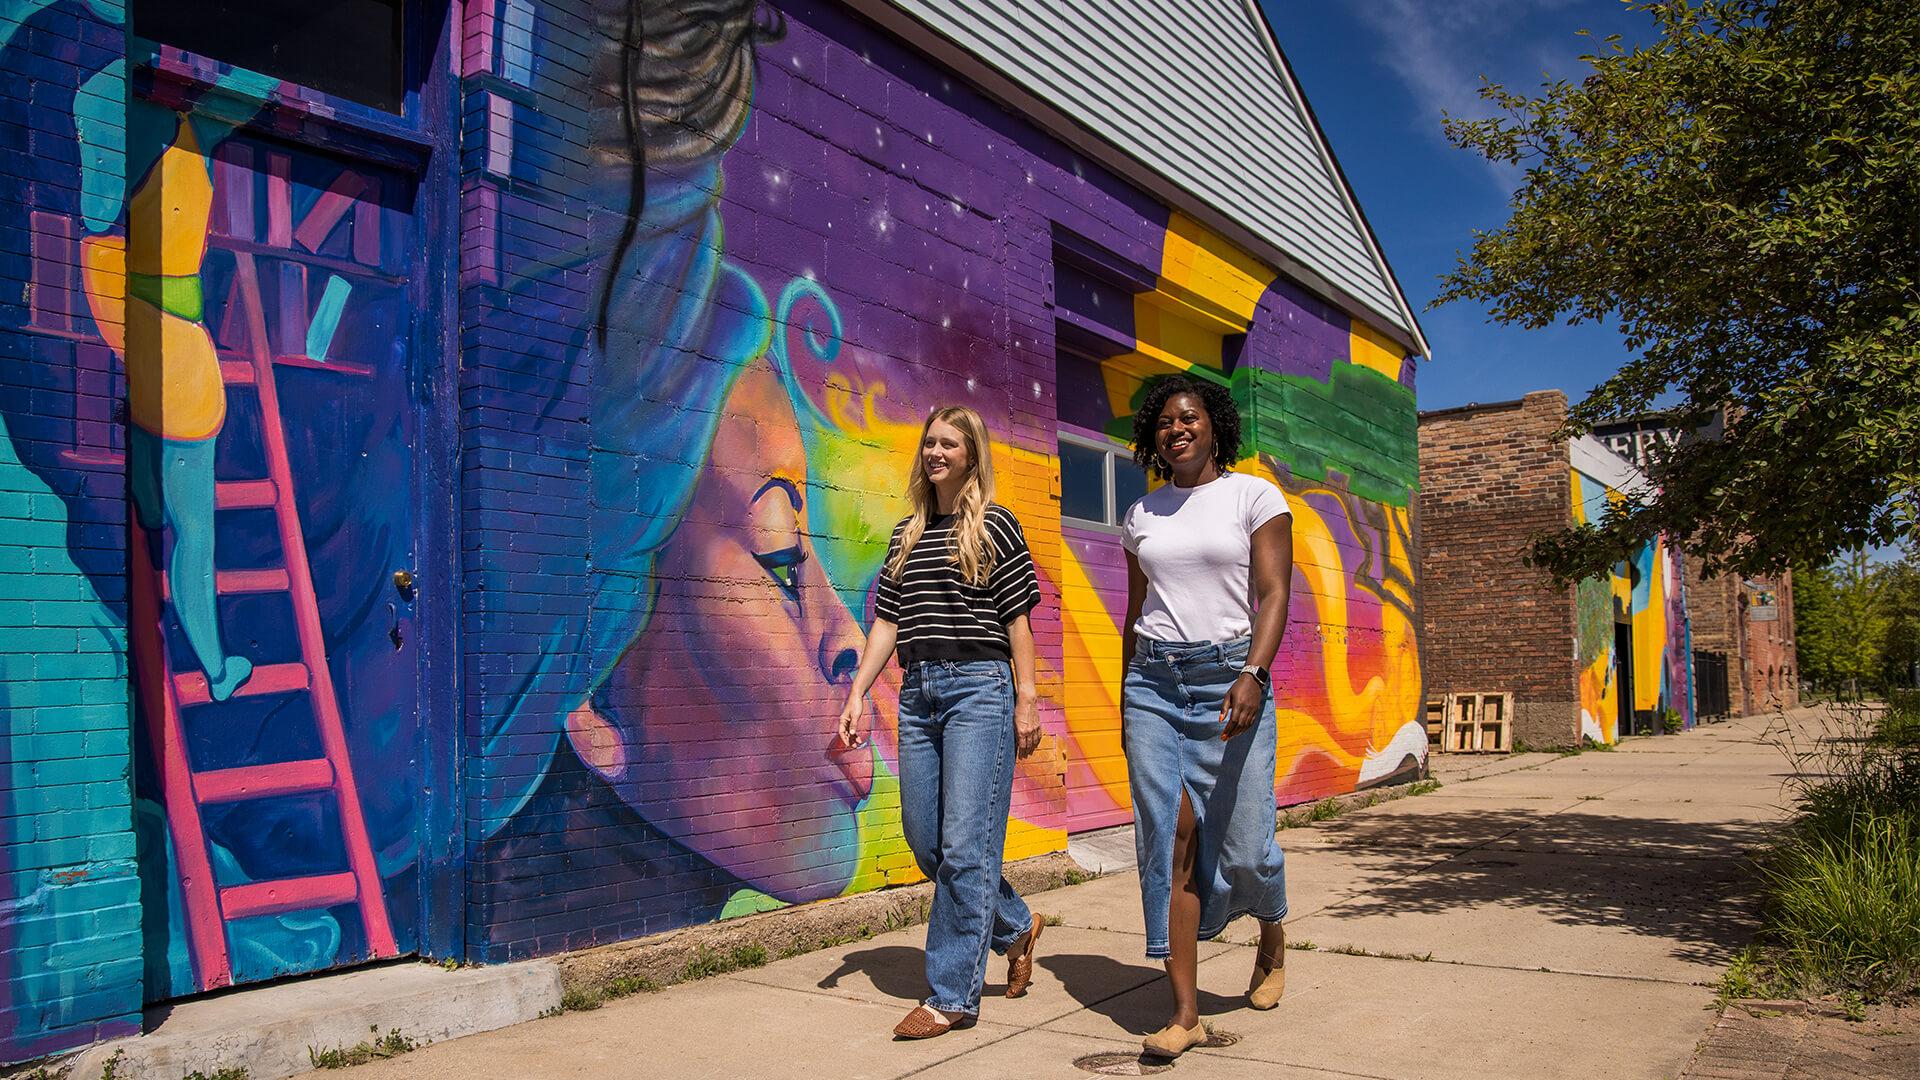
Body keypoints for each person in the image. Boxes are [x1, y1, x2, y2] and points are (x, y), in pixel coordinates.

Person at [838, 405, 1048, 1039]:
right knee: (927, 840)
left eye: (949, 444)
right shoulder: (907, 533)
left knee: (964, 846)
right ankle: (1015, 925)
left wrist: (1027, 698)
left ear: (970, 456)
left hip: (979, 692)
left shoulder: (995, 527)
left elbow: (1018, 622)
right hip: (918, 695)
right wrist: (856, 693)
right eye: (929, 442)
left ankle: (951, 995)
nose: (935, 452)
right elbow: (886, 623)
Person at [1120, 374, 1294, 1058]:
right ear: (1153, 437)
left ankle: (1272, 930)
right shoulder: (1141, 515)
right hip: (1155, 683)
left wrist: (1253, 671)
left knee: (1248, 846)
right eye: (1164, 421)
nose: (1177, 428)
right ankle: (1185, 1012)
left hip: (1231, 676)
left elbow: (1275, 592)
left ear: (1214, 424)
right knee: (1171, 839)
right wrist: (1126, 687)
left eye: (1189, 417)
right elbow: (1135, 614)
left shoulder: (1254, 495)